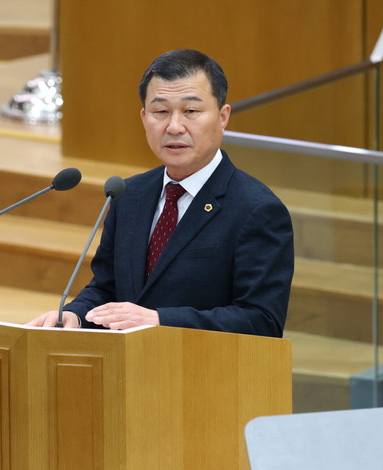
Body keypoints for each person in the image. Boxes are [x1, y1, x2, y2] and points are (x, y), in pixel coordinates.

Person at [27, 49, 293, 337]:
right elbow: (106, 287)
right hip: (127, 361)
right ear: (144, 118)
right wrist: (76, 315)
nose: (174, 127)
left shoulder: (257, 210)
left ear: (222, 117)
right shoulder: (129, 193)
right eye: (161, 112)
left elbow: (262, 321)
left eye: (191, 111)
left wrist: (160, 320)